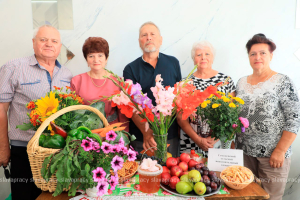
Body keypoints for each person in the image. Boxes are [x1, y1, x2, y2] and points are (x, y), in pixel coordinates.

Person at [0, 25, 73, 200]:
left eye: (54, 41)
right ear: (33, 43)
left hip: (56, 151)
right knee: (24, 196)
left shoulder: (67, 74)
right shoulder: (13, 67)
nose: (49, 44)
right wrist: (3, 147)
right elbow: (1, 108)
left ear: (60, 46)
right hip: (23, 149)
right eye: (43, 39)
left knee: (54, 197)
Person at [236, 33, 300, 200]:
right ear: (248, 57)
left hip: (273, 156)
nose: (258, 57)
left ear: (271, 55)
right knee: (246, 195)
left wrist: (280, 151)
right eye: (253, 53)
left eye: (263, 53)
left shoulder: (282, 82)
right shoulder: (241, 82)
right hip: (245, 153)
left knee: (270, 197)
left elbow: (294, 119)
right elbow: (236, 115)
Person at [123, 22, 182, 156]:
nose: (148, 38)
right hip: (141, 136)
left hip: (169, 134)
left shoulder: (173, 63)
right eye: (144, 35)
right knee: (144, 174)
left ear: (160, 40)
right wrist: (146, 132)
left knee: (170, 173)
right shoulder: (130, 69)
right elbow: (130, 105)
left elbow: (179, 97)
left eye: (152, 34)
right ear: (139, 42)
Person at [177, 41, 236, 156]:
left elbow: (232, 114)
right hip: (190, 141)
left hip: (218, 142)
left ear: (213, 58)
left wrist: (214, 138)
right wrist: (198, 140)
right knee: (191, 172)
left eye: (207, 54)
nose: (203, 57)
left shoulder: (225, 80)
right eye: (199, 55)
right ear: (194, 59)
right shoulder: (184, 83)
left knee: (217, 173)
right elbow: (180, 117)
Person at [70, 37, 129, 130]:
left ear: (106, 58)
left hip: (113, 130)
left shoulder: (118, 81)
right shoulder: (77, 81)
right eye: (91, 56)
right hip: (85, 131)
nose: (96, 60)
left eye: (100, 55)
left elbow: (123, 113)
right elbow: (73, 113)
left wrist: (125, 137)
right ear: (86, 60)